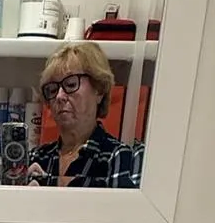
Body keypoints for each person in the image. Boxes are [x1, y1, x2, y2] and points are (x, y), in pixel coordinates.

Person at [27, 42, 143, 188]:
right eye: (52, 89)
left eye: (70, 84)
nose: (59, 96)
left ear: (99, 90)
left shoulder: (121, 157)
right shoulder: (36, 157)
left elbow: (121, 211)